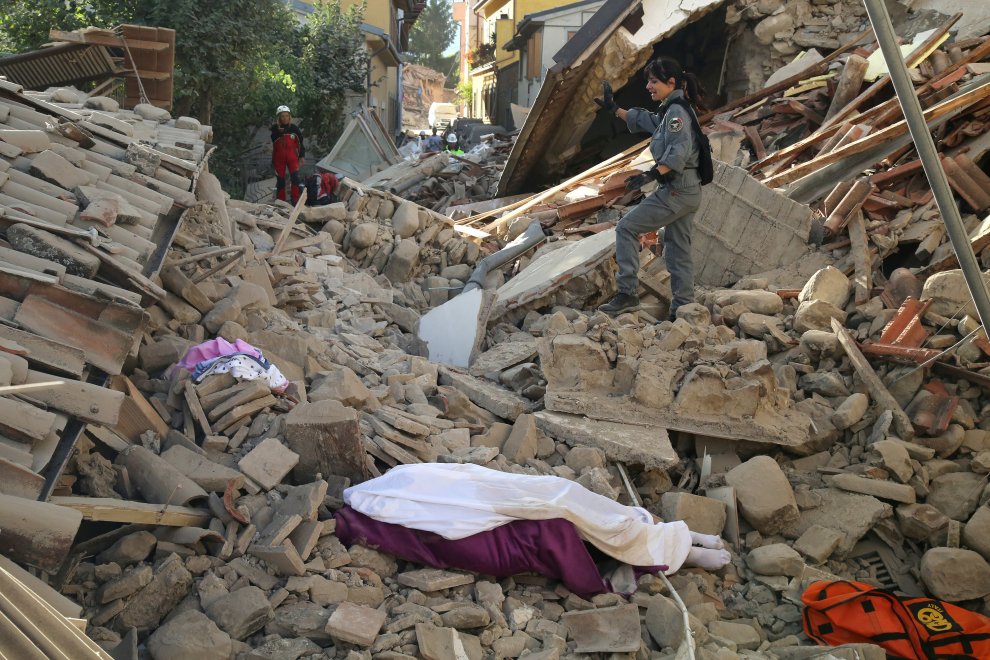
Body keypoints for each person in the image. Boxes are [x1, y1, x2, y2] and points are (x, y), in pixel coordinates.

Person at [595, 57, 706, 320]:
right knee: (678, 249)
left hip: (677, 191)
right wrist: (615, 109)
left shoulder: (676, 113)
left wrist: (650, 175)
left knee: (626, 228)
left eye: (653, 81)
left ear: (671, 82)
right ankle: (683, 310)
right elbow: (648, 121)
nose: (648, 87)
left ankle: (627, 294)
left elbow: (678, 154)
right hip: (688, 191)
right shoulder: (672, 110)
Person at [271, 105, 305, 204]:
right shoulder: (274, 129)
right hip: (279, 158)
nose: (285, 118)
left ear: (289, 117)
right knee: (280, 180)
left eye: (287, 116)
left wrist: (301, 156)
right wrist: (279, 131)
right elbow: (274, 141)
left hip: (292, 157)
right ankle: (281, 202)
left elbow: (300, 143)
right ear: (279, 118)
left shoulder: (294, 128)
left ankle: (295, 200)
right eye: (282, 116)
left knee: (295, 178)